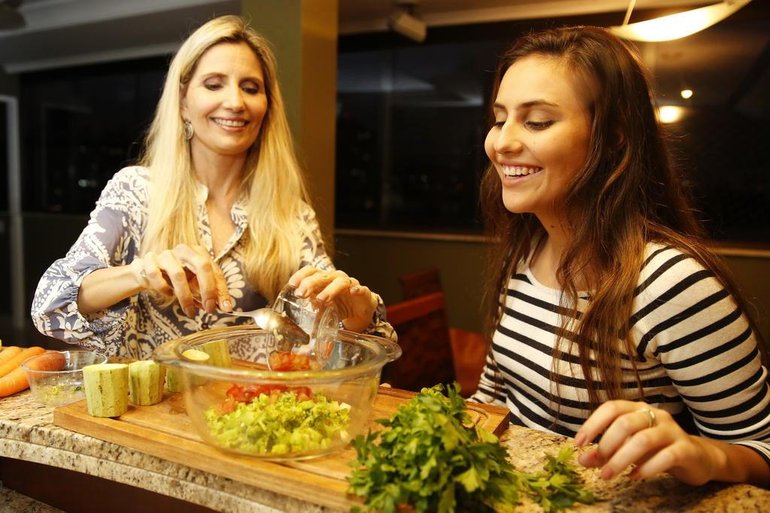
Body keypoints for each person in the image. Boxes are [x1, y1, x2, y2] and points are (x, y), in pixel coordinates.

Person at [471, 25, 770, 487]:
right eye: (499, 118)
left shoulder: (670, 283)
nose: (501, 142)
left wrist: (704, 454)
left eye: (536, 121)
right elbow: (495, 394)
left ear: (614, 139)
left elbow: (761, 445)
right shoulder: (526, 251)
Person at [31, 15, 394, 359]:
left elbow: (332, 345)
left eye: (250, 88)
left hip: (250, 414)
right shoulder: (136, 191)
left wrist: (356, 315)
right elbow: (51, 305)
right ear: (184, 102)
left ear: (266, 108)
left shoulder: (291, 212)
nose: (235, 102)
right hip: (152, 415)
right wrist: (140, 273)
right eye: (214, 84)